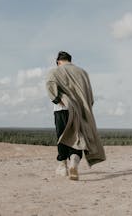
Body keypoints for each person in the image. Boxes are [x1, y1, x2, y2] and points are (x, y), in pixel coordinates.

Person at [46, 51, 106, 181]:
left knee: (62, 137)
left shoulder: (55, 71)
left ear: (58, 61)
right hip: (79, 111)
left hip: (62, 109)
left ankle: (63, 167)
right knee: (78, 138)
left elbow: (50, 86)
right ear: (70, 60)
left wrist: (59, 100)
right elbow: (89, 95)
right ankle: (74, 162)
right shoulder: (83, 73)